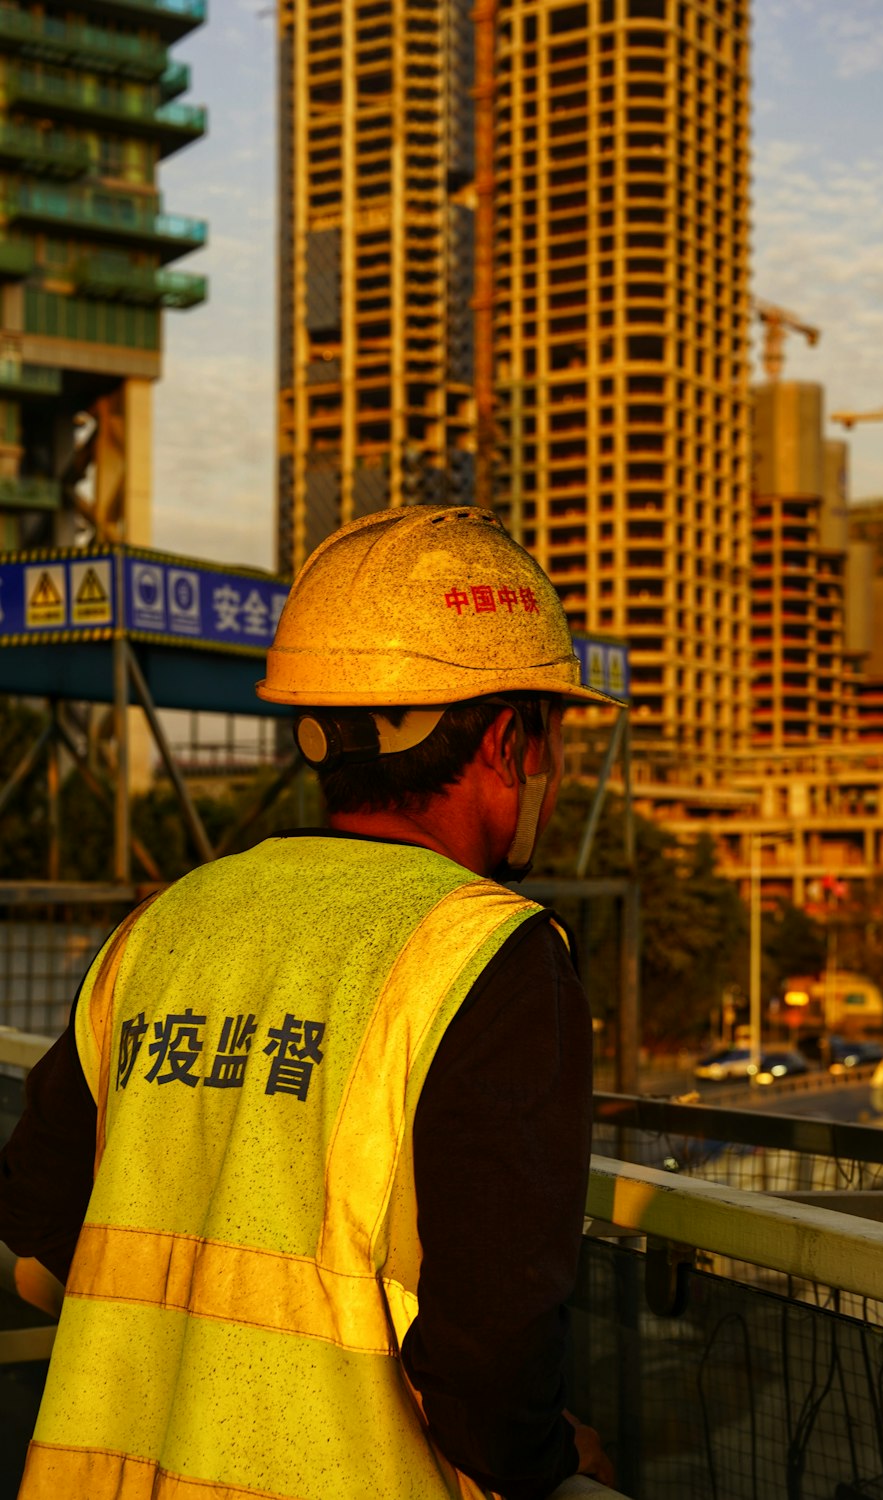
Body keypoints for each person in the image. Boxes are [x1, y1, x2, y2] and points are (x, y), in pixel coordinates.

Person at [0, 504, 619, 1500]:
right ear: (507, 741)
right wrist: (554, 1460)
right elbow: (489, 1358)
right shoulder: (491, 956)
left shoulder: (165, 924)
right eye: (545, 736)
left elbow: (39, 1224)